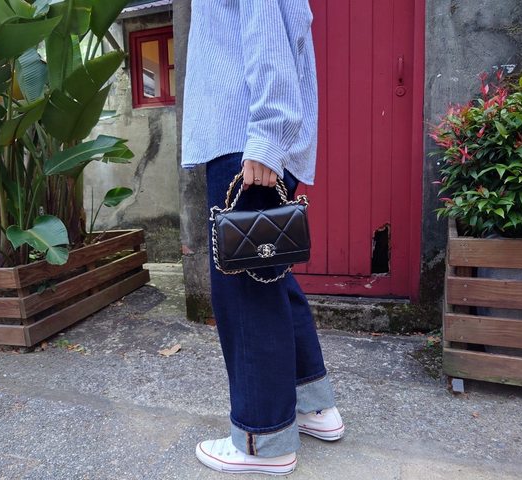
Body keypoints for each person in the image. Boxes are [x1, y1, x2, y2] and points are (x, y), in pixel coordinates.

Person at [181, 0, 344, 475]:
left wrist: (268, 139)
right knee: (270, 278)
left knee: (245, 292)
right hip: (247, 141)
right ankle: (313, 406)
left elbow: (269, 39)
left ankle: (263, 441)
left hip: (244, 142)